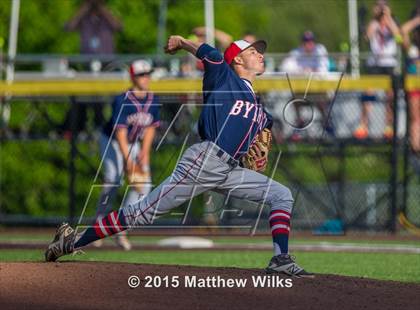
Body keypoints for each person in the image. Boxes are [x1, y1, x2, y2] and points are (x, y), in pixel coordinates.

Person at [45, 35, 313, 277]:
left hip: (230, 170)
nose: (260, 55)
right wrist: (183, 42)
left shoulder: (257, 103)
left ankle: (280, 259)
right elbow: (207, 51)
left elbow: (267, 123)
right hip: (205, 161)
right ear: (238, 59)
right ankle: (71, 241)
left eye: (259, 52)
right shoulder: (224, 76)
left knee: (281, 195)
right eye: (253, 51)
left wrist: (263, 144)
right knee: (143, 212)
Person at [92, 59, 160, 250]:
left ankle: (120, 227)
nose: (145, 78)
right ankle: (98, 225)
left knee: (143, 186)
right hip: (112, 141)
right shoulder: (122, 99)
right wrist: (128, 161)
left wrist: (145, 153)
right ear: (132, 77)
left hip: (135, 143)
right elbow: (120, 132)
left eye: (147, 74)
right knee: (114, 179)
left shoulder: (153, 98)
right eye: (141, 74)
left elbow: (151, 128)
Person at [353, 0, 402, 140]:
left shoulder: (393, 23)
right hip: (374, 64)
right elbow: (367, 37)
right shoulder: (373, 24)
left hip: (389, 63)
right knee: (368, 93)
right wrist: (376, 21)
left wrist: (388, 17)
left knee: (390, 96)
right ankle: (363, 124)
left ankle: (389, 126)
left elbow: (398, 36)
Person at [280, 31, 332, 141]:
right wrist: (305, 71)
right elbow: (285, 67)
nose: (308, 44)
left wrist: (304, 72)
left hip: (318, 88)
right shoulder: (297, 52)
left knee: (321, 100)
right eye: (306, 41)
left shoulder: (320, 50)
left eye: (310, 41)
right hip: (303, 89)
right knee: (295, 98)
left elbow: (323, 72)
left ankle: (327, 124)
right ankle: (300, 123)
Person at [402, 6, 420, 154]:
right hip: (414, 87)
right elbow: (403, 30)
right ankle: (416, 149)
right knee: (415, 118)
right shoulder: (412, 49)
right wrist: (417, 20)